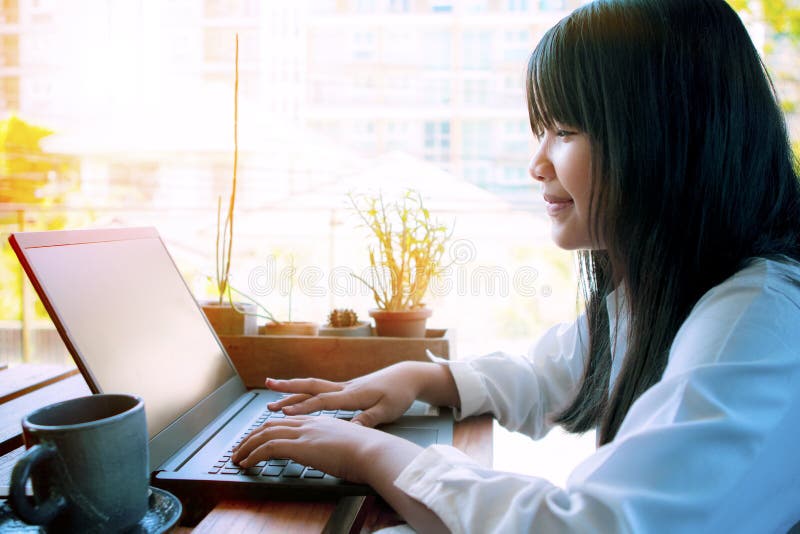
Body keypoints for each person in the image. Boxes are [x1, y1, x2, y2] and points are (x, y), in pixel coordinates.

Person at [233, 0, 800, 531]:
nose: (536, 163)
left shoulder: (754, 323)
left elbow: (589, 525)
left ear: (667, 136)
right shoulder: (684, 284)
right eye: (541, 130)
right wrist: (421, 377)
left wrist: (373, 452)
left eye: (565, 130)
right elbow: (556, 371)